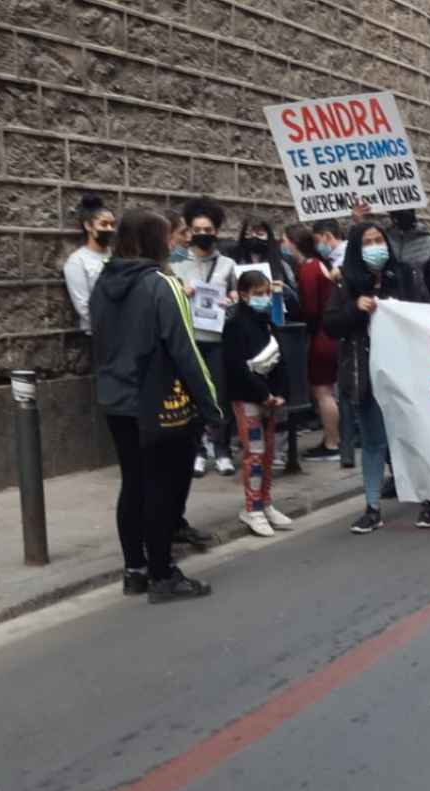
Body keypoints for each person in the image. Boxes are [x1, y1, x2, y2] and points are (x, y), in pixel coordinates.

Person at [90, 208, 220, 603]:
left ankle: (135, 570)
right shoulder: (163, 284)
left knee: (133, 483)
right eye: (166, 236)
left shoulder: (102, 282)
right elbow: (185, 350)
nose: (171, 243)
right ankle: (163, 574)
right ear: (152, 241)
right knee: (162, 487)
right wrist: (211, 404)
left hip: (116, 398)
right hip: (157, 398)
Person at [325, 222, 430, 534]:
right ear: (358, 249)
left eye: (379, 240)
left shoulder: (405, 277)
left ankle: (427, 501)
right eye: (368, 242)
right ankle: (372, 507)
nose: (375, 246)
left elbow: (426, 315)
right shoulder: (345, 283)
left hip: (404, 374)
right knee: (373, 442)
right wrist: (355, 309)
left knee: (411, 438)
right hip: (365, 374)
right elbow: (331, 325)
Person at [221, 270, 294, 538]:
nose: (264, 298)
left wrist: (280, 393)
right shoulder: (235, 325)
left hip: (269, 398)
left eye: (267, 293)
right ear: (243, 294)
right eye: (258, 294)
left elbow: (280, 359)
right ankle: (252, 507)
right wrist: (263, 393)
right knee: (254, 451)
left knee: (267, 452)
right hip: (248, 397)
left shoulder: (266, 322)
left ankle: (265, 502)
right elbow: (236, 366)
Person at [177, 197, 240, 479]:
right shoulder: (175, 263)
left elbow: (238, 298)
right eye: (198, 229)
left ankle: (222, 449)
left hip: (217, 338)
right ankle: (197, 451)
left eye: (209, 229)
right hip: (189, 339)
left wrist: (233, 301)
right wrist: (182, 293)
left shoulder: (227, 264)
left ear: (216, 231)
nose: (203, 234)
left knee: (219, 396)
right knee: (192, 396)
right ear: (189, 231)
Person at [289, 224, 343, 465]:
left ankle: (332, 442)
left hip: (321, 336)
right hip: (328, 334)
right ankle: (333, 440)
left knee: (323, 391)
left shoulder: (309, 269)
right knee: (326, 390)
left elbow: (310, 308)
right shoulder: (320, 265)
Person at [64, 194, 115, 334]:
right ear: (88, 226)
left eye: (112, 224)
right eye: (104, 224)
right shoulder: (77, 261)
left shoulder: (116, 256)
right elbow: (83, 306)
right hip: (100, 333)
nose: (110, 229)